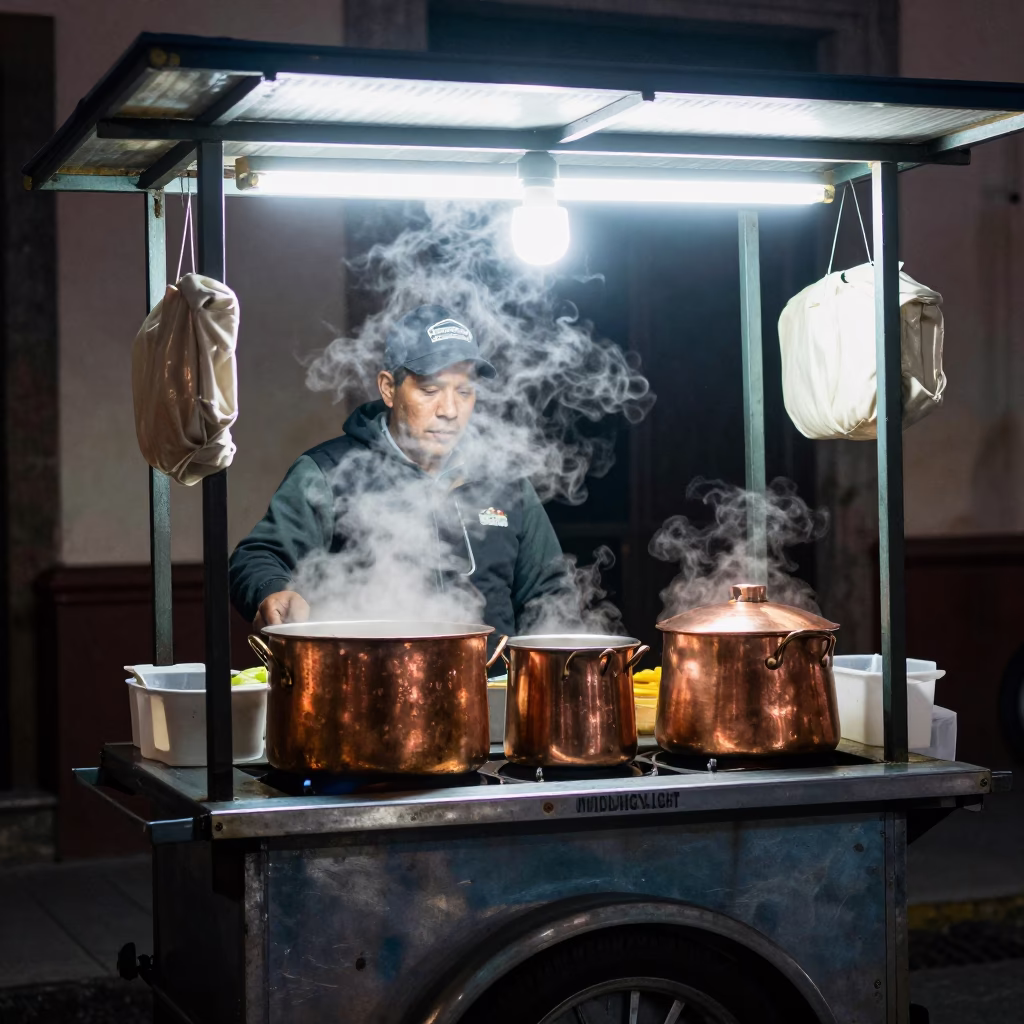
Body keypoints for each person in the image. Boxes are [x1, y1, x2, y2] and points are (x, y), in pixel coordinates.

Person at [229, 304, 570, 648]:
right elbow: (258, 557)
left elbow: (549, 591)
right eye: (430, 390)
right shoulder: (331, 471)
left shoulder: (506, 482)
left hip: (492, 689)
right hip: (370, 687)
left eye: (464, 392)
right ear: (389, 388)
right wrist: (271, 591)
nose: (449, 411)